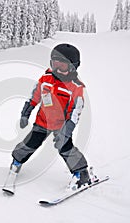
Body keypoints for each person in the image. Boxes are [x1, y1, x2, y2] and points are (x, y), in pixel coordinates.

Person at [10, 43, 91, 190]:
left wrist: (66, 131)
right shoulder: (46, 78)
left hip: (62, 126)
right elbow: (34, 97)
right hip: (43, 121)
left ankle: (81, 172)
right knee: (30, 143)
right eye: (55, 64)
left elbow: (75, 112)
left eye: (62, 66)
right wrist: (25, 113)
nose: (57, 69)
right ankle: (16, 162)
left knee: (65, 148)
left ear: (73, 66)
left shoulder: (76, 87)